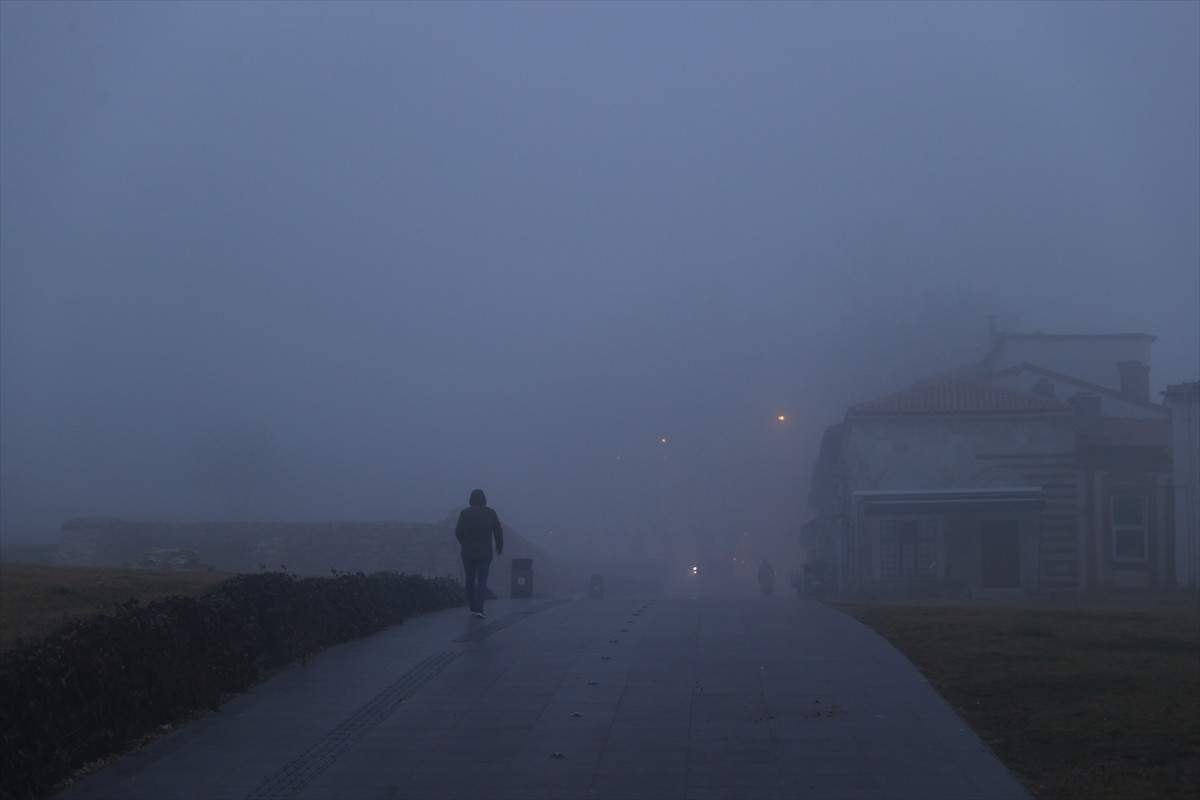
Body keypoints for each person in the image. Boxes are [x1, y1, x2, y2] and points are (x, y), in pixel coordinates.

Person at [455, 489, 503, 618]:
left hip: (468, 552)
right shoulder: (490, 513)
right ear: (484, 499)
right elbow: (498, 531)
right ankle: (480, 609)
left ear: (471, 500)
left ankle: (472, 607)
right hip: (485, 552)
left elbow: (458, 532)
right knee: (482, 581)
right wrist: (499, 545)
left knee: (469, 581)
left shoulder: (465, 513)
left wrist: (464, 543)